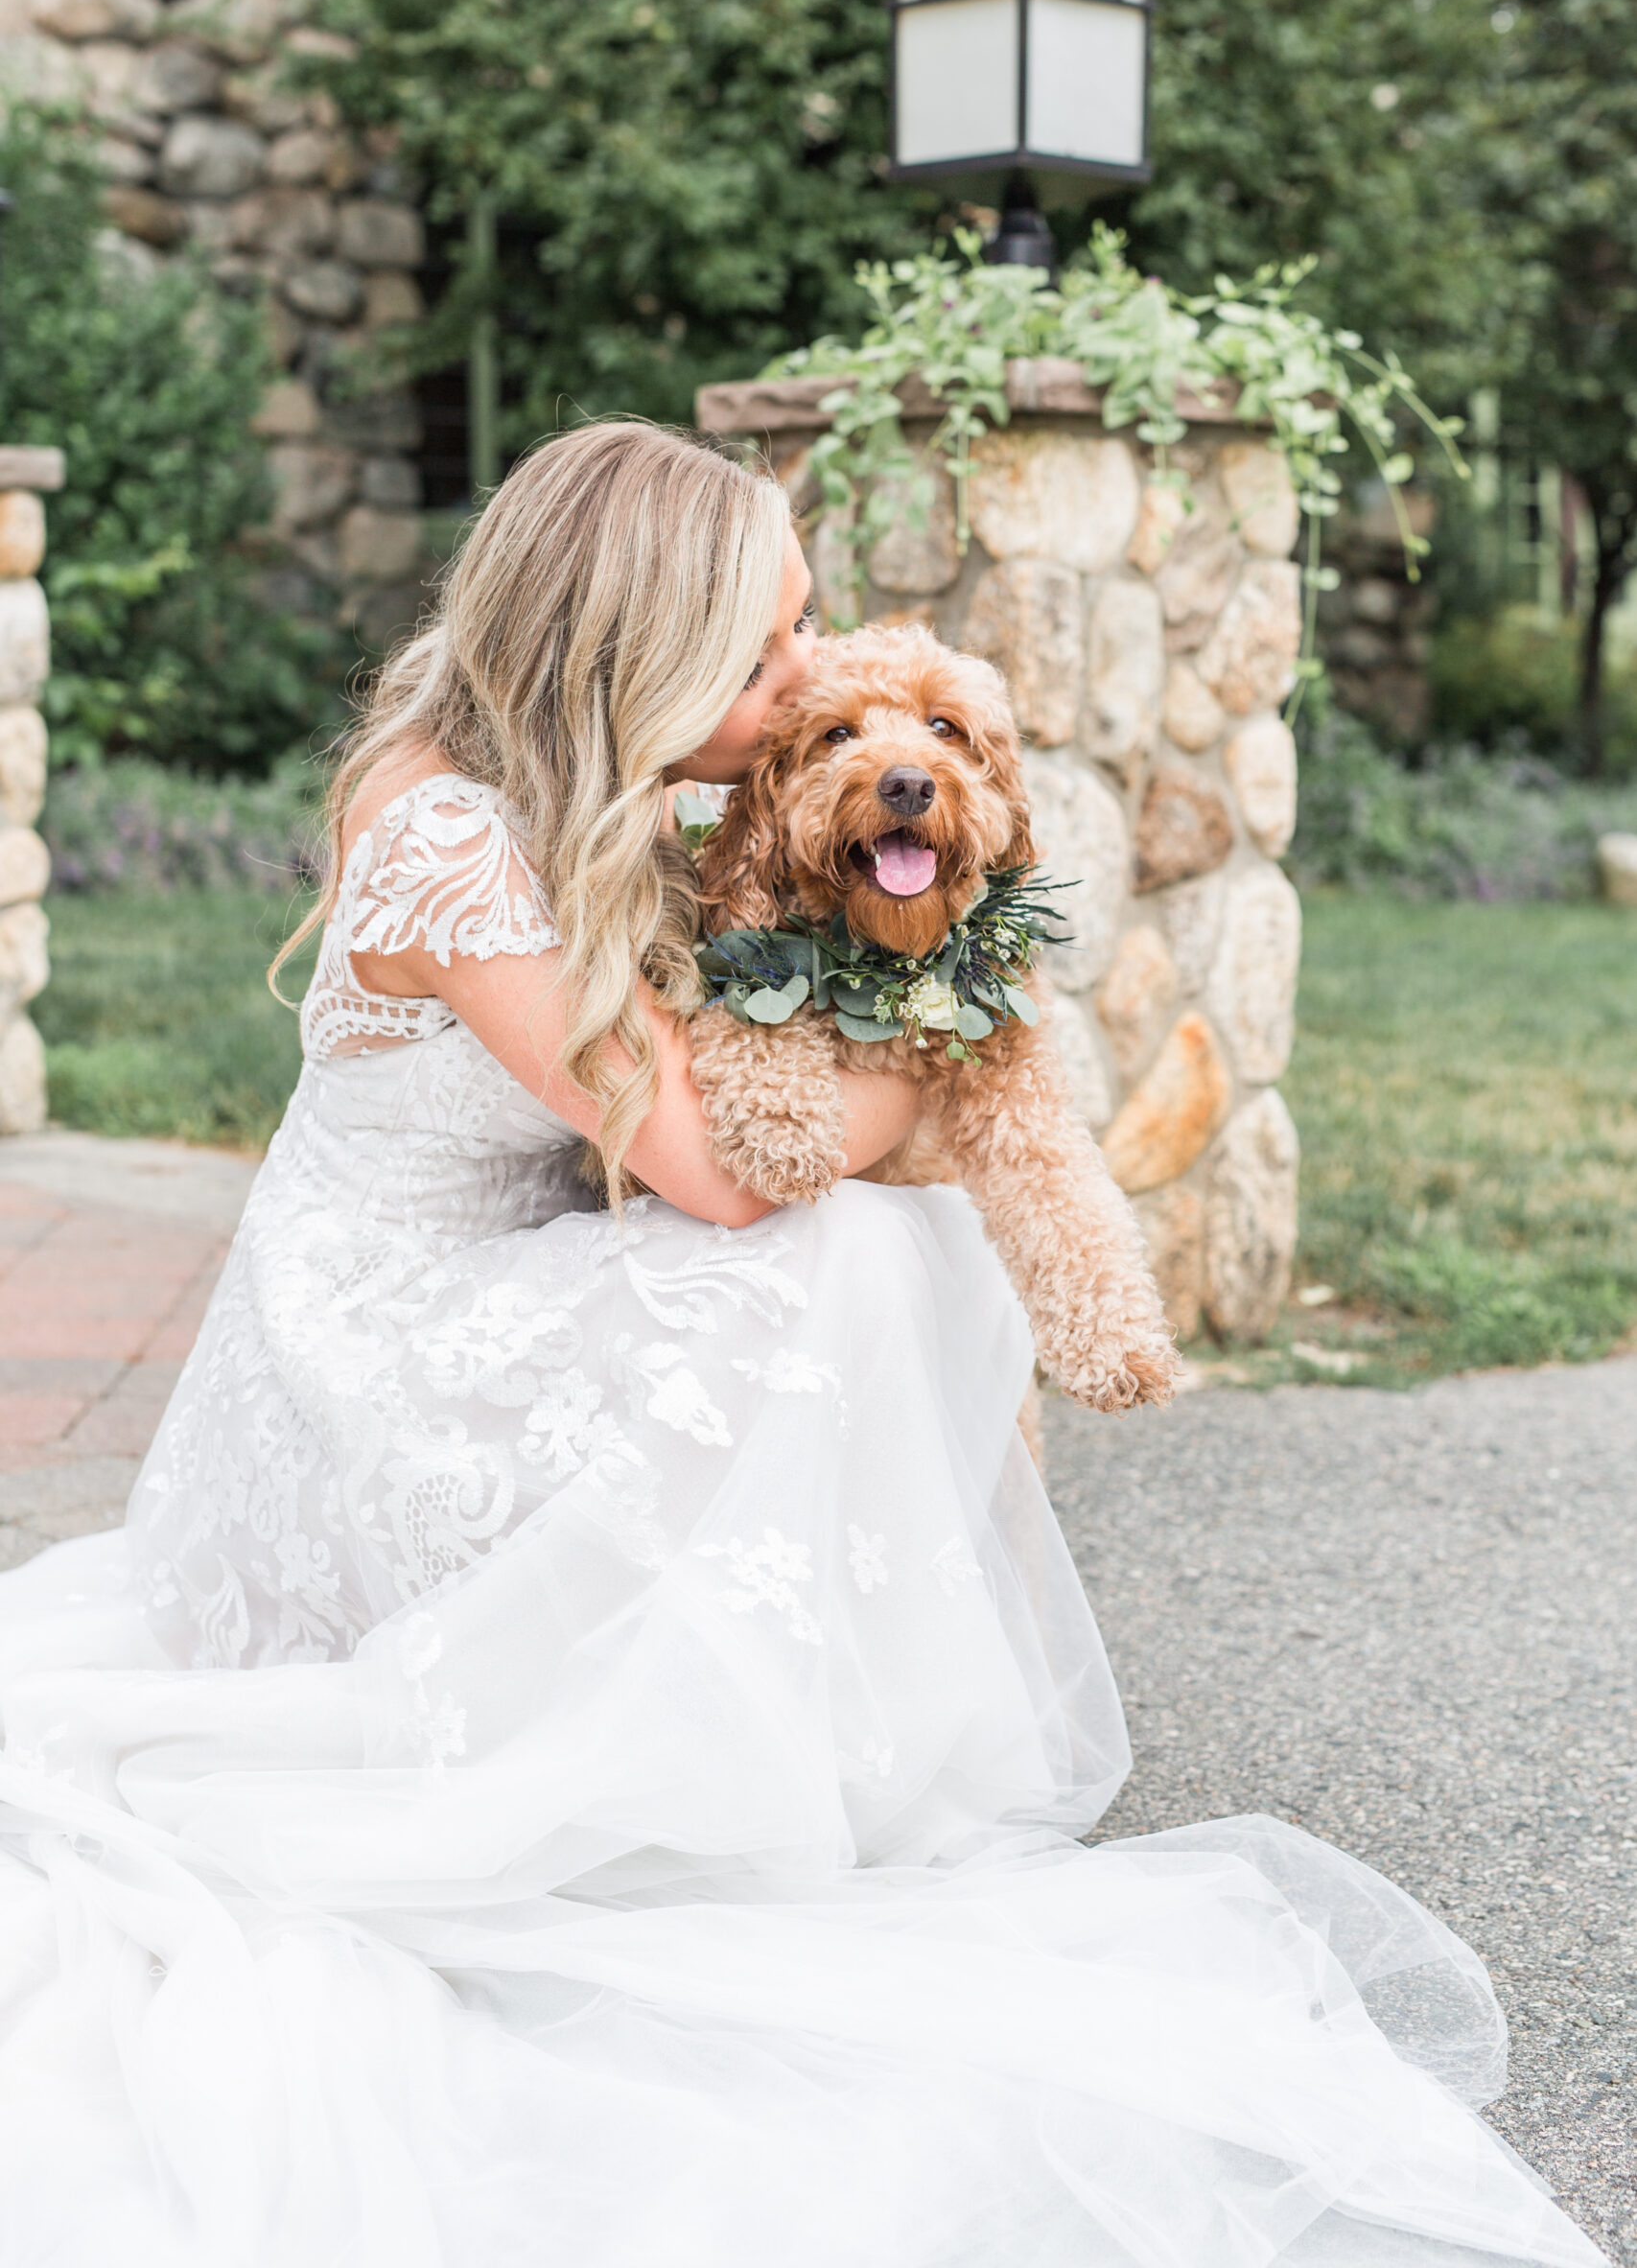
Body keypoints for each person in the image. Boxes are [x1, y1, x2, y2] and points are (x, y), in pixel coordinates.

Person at [0, 422, 1602, 2266]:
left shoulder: (621, 792)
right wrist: (954, 1043)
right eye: (764, 656)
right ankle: (713, 1723)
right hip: (376, 1360)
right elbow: (713, 1165)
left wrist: (915, 993)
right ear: (636, 653)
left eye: (801, 637)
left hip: (515, 1278)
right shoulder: (444, 827)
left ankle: (795, 1714)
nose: (793, 688)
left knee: (892, 1234)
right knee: (838, 1252)